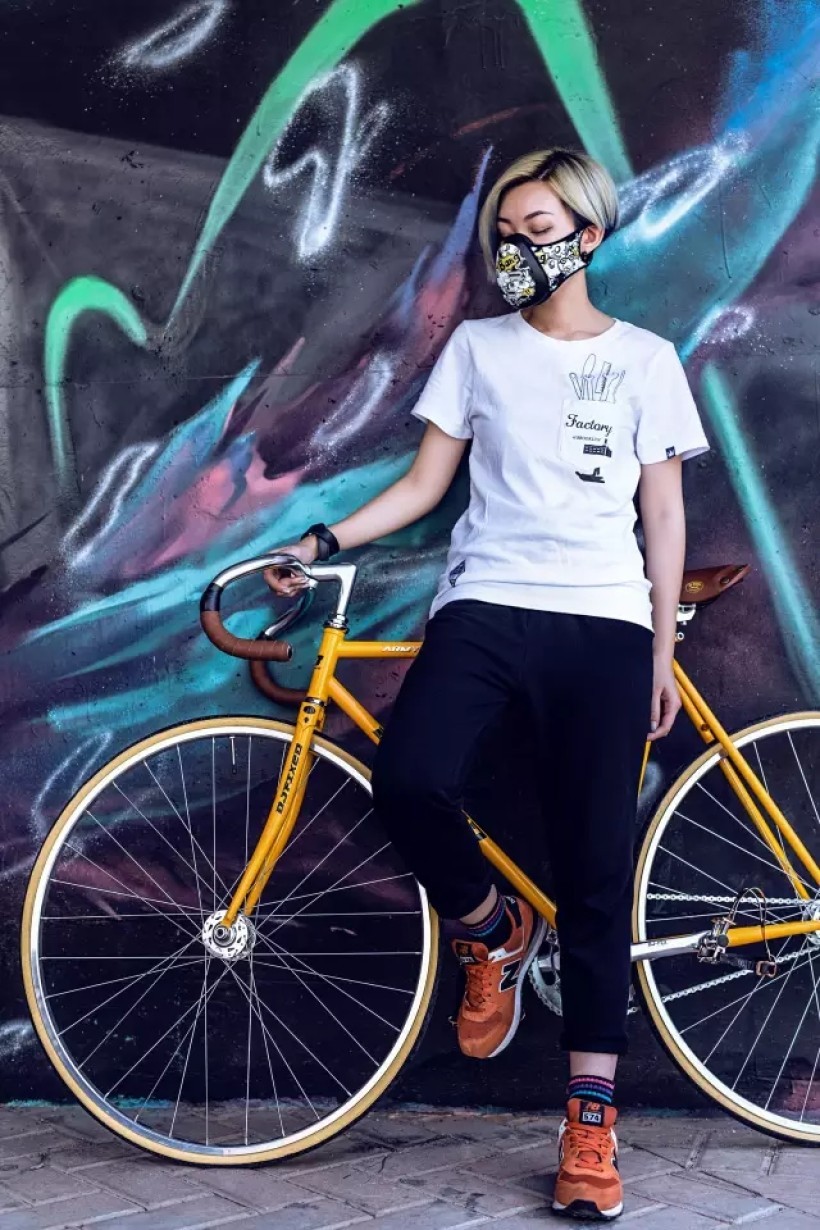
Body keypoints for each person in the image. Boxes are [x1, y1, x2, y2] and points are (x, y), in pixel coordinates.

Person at [268, 148, 709, 1221]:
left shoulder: (646, 360)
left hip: (604, 624)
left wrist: (658, 651)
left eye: (539, 229)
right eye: (505, 233)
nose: (518, 249)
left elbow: (662, 514)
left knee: (595, 871)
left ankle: (590, 1127)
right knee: (410, 778)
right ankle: (493, 930)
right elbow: (426, 484)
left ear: (588, 237)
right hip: (485, 606)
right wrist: (322, 540)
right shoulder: (477, 348)